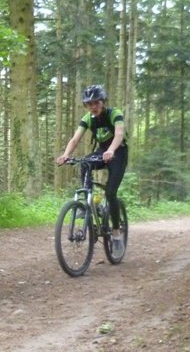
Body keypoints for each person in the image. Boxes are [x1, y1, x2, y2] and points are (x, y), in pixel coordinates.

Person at [55, 85, 128, 257]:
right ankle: (89, 202)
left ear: (102, 102)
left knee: (111, 193)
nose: (93, 107)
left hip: (118, 152)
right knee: (84, 163)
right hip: (102, 151)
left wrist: (111, 150)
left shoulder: (114, 113)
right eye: (89, 104)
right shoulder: (88, 118)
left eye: (96, 103)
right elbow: (75, 139)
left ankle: (116, 235)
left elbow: (118, 134)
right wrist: (65, 155)